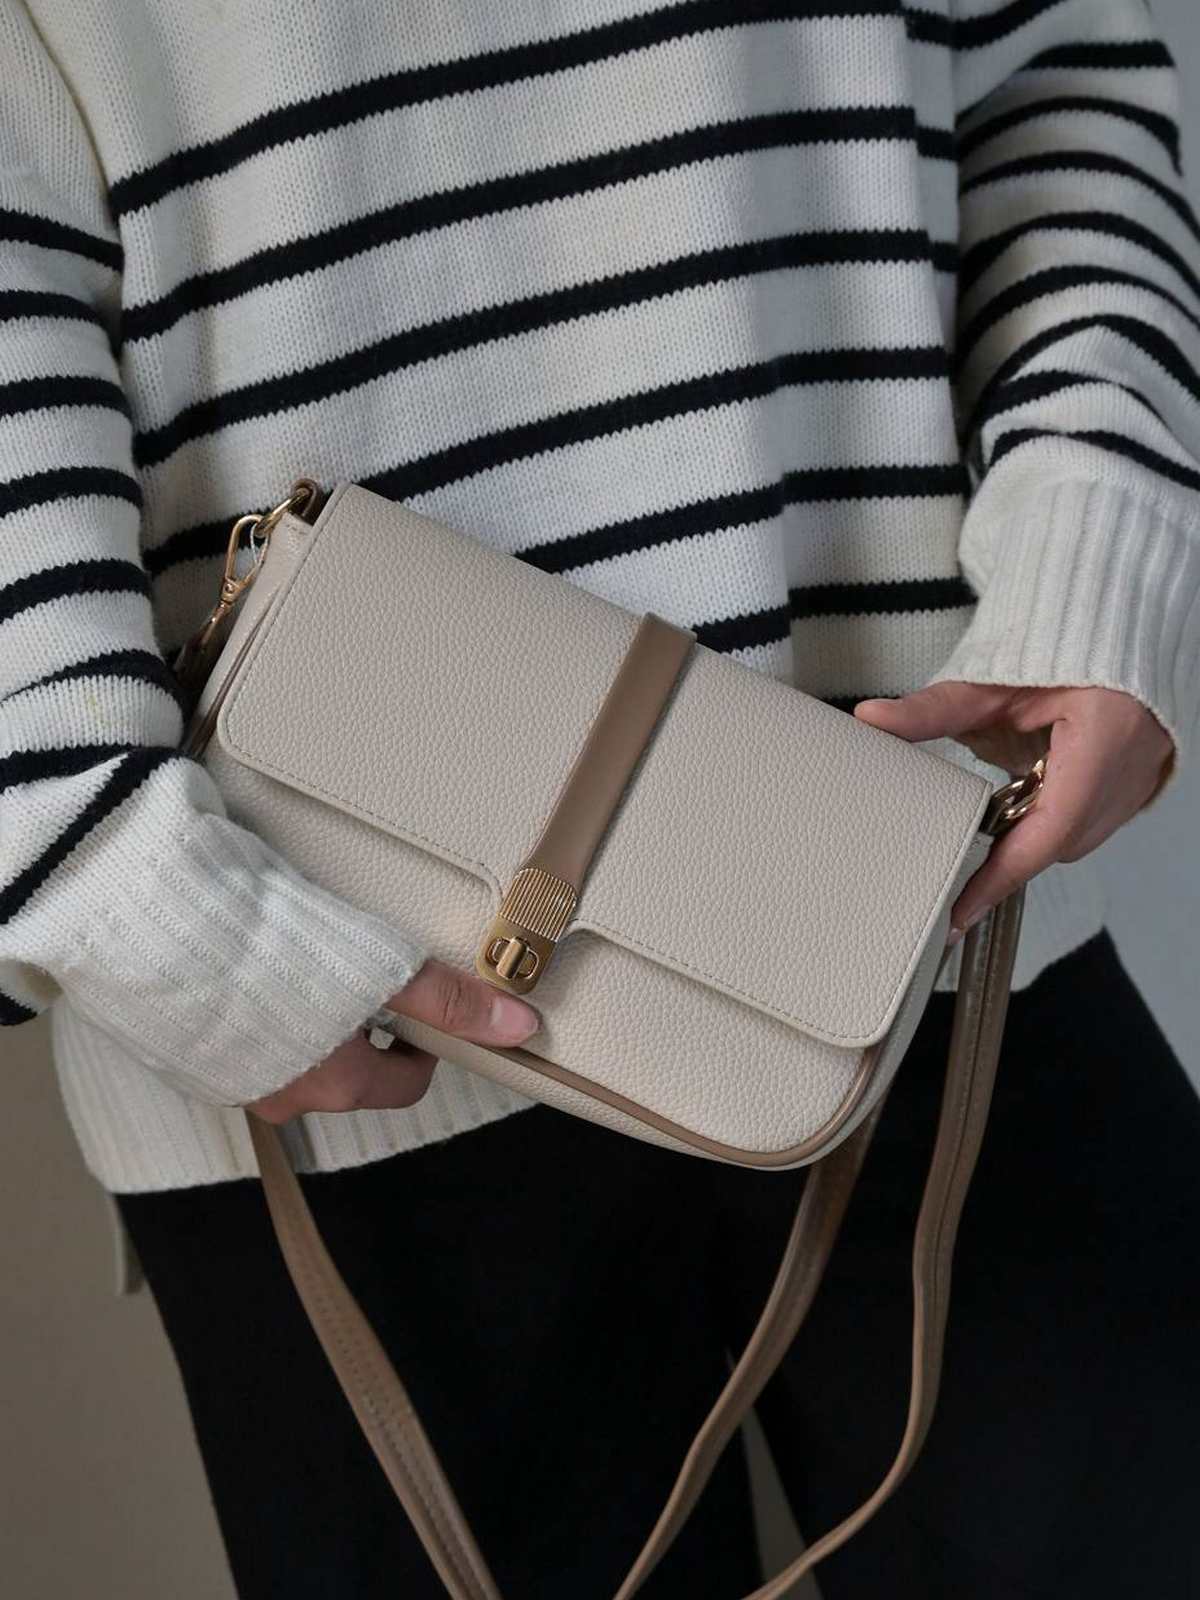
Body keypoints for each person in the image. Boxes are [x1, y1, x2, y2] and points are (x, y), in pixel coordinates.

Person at [2, 0, 1198, 1595]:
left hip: (941, 913)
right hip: (324, 1012)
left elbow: (1056, 86)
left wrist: (1103, 531)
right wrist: (117, 885)